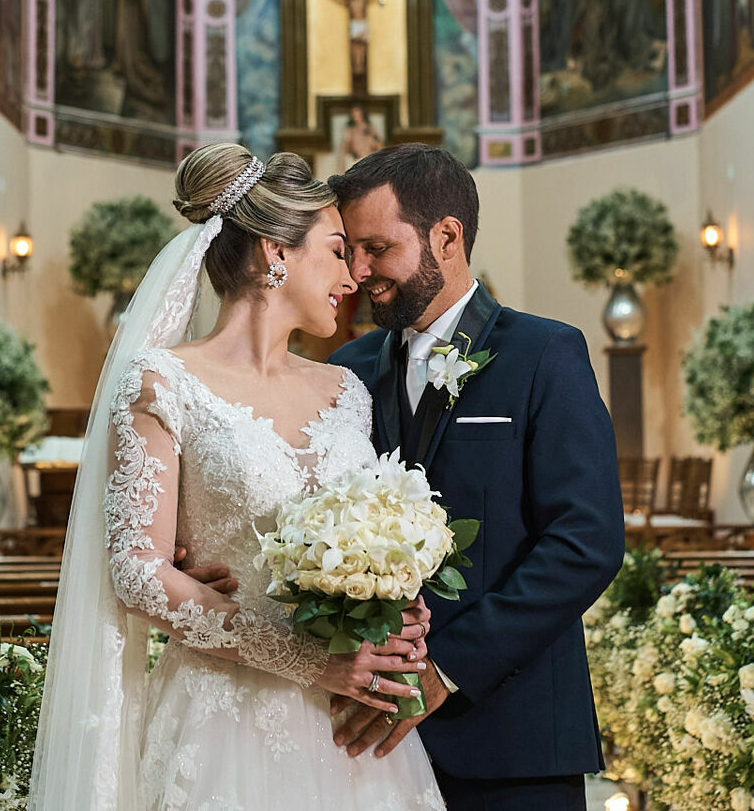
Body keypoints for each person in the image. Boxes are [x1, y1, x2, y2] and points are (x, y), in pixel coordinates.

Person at [31, 145, 446, 810]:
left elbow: (369, 534)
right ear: (274, 253)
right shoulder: (162, 382)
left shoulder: (348, 390)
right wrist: (308, 660)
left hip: (350, 727)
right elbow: (138, 571)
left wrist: (398, 601)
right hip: (225, 719)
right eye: (338, 250)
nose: (353, 275)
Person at [327, 143, 625, 810]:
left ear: (447, 236)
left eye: (376, 248)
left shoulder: (545, 354)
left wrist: (445, 670)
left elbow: (587, 543)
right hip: (364, 740)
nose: (358, 271)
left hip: (513, 739)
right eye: (350, 250)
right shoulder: (346, 369)